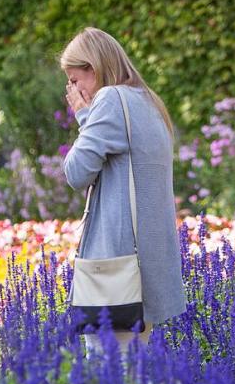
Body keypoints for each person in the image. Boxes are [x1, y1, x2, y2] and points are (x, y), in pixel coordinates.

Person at [61, 27, 187, 354]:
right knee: (134, 373)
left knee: (106, 377)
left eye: (75, 80)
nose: (73, 90)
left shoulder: (110, 99)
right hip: (146, 265)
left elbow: (75, 173)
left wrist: (83, 115)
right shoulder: (148, 101)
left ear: (95, 67)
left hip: (115, 268)